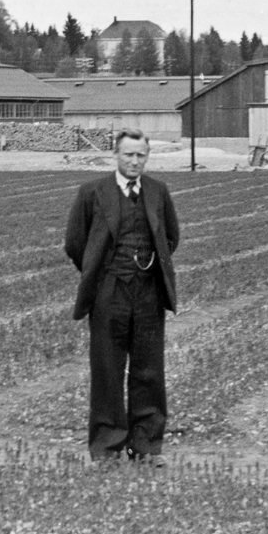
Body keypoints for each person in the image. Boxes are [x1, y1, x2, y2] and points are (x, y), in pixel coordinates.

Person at [64, 128, 180, 466]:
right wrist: (101, 272)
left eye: (140, 155)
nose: (134, 161)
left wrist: (145, 265)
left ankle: (145, 446)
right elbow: (74, 243)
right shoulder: (92, 193)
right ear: (116, 154)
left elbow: (171, 237)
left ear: (147, 156)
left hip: (148, 292)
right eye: (128, 154)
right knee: (107, 369)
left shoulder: (158, 192)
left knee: (149, 370)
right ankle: (107, 446)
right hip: (108, 292)